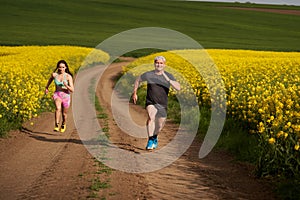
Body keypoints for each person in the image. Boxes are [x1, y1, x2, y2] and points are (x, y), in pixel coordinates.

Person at [132, 56, 181, 150]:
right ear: (154, 64)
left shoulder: (169, 75)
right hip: (150, 101)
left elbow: (178, 88)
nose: (159, 64)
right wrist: (135, 93)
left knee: (159, 125)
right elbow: (138, 80)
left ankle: (154, 137)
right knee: (151, 117)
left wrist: (169, 81)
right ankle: (150, 140)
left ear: (164, 65)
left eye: (161, 63)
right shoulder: (149, 74)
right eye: (157, 62)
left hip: (163, 103)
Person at [45, 60, 74, 133]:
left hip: (66, 96)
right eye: (60, 67)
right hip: (57, 94)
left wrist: (66, 85)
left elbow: (72, 90)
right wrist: (46, 87)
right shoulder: (54, 75)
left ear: (65, 68)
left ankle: (63, 123)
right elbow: (50, 80)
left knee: (64, 114)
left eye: (63, 67)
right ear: (58, 67)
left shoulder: (68, 76)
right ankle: (56, 125)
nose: (61, 69)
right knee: (58, 108)